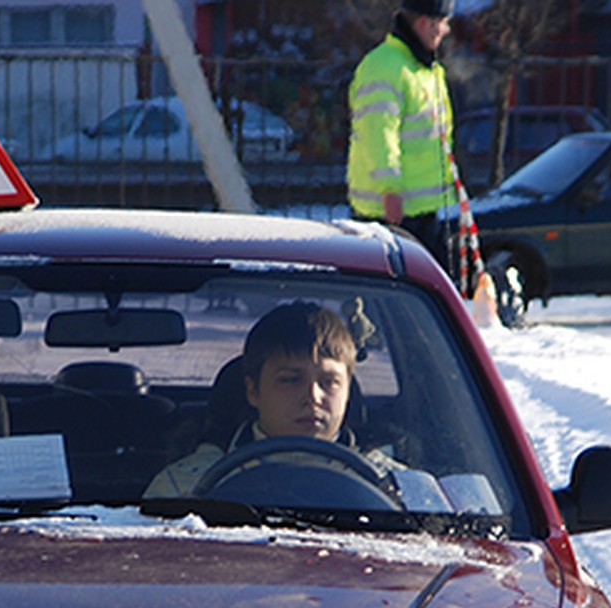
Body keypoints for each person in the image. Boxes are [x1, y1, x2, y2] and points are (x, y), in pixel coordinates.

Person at [145, 301, 364, 498]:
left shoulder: (389, 487)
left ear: (348, 392)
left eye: (329, 382)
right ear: (253, 391)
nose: (313, 397)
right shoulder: (185, 486)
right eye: (290, 380)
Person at [347, 0, 457, 271]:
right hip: (390, 214)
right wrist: (390, 191)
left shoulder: (424, 70)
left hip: (418, 210)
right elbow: (379, 133)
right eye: (442, 23)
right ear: (424, 23)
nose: (445, 31)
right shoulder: (386, 68)